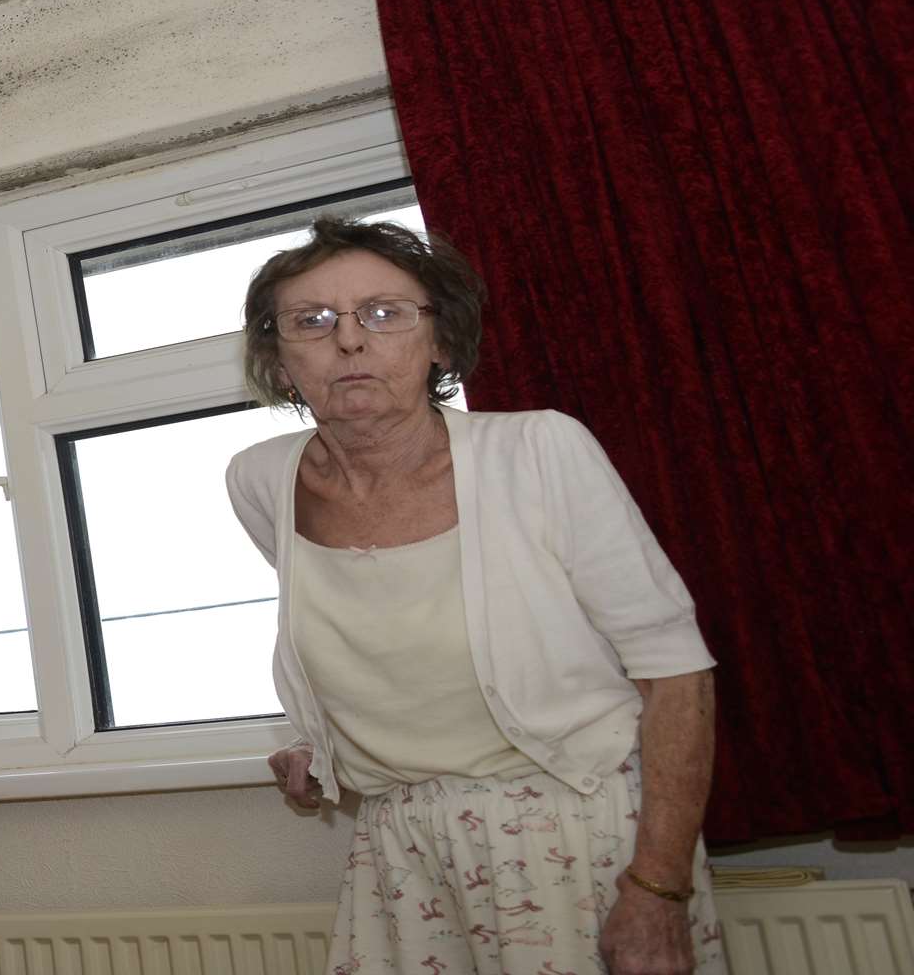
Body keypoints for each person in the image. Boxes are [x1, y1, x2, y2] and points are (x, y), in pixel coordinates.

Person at [224, 219, 724, 974]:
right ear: (280, 361)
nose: (350, 342)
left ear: (442, 345)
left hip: (575, 828)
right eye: (312, 321)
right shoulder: (261, 481)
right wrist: (314, 740)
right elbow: (376, 635)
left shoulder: (539, 451)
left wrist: (657, 887)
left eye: (386, 313)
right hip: (399, 848)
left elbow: (677, 673)